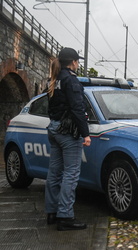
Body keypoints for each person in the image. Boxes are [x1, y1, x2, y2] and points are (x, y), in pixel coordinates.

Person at [45, 47, 91, 231]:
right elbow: (77, 109)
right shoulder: (70, 80)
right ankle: (65, 216)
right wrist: (85, 134)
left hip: (54, 129)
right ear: (73, 62)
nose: (78, 64)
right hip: (67, 132)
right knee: (71, 174)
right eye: (77, 61)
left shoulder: (54, 80)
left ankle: (52, 213)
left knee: (54, 173)